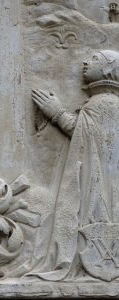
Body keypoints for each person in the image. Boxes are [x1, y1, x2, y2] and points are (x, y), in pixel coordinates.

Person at [31, 50, 119, 280]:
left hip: (97, 182)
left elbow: (82, 131)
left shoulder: (103, 104)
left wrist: (56, 112)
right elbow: (86, 131)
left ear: (108, 69)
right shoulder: (104, 103)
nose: (86, 62)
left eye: (96, 59)